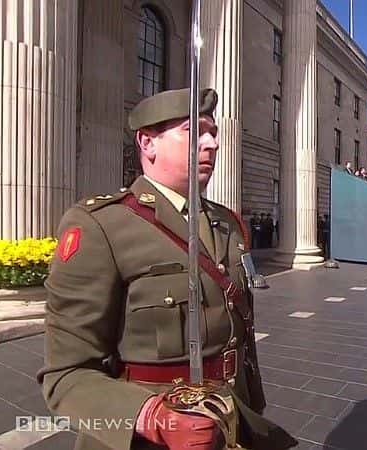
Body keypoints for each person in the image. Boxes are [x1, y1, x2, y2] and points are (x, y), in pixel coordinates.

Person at [37, 88, 295, 450]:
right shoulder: (101, 227)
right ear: (148, 142)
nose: (212, 144)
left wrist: (251, 410)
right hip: (149, 438)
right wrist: (151, 417)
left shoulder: (229, 224)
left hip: (231, 423)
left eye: (214, 132)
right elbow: (66, 375)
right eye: (194, 130)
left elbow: (241, 339)